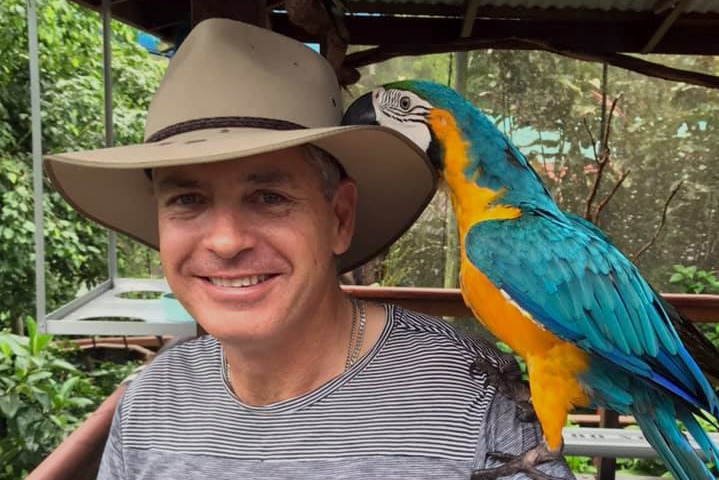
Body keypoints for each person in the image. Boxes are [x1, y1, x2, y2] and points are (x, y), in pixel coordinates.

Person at [45, 18, 574, 480]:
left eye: (269, 197)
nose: (226, 242)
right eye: (187, 199)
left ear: (338, 218)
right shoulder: (152, 402)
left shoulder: (470, 393)